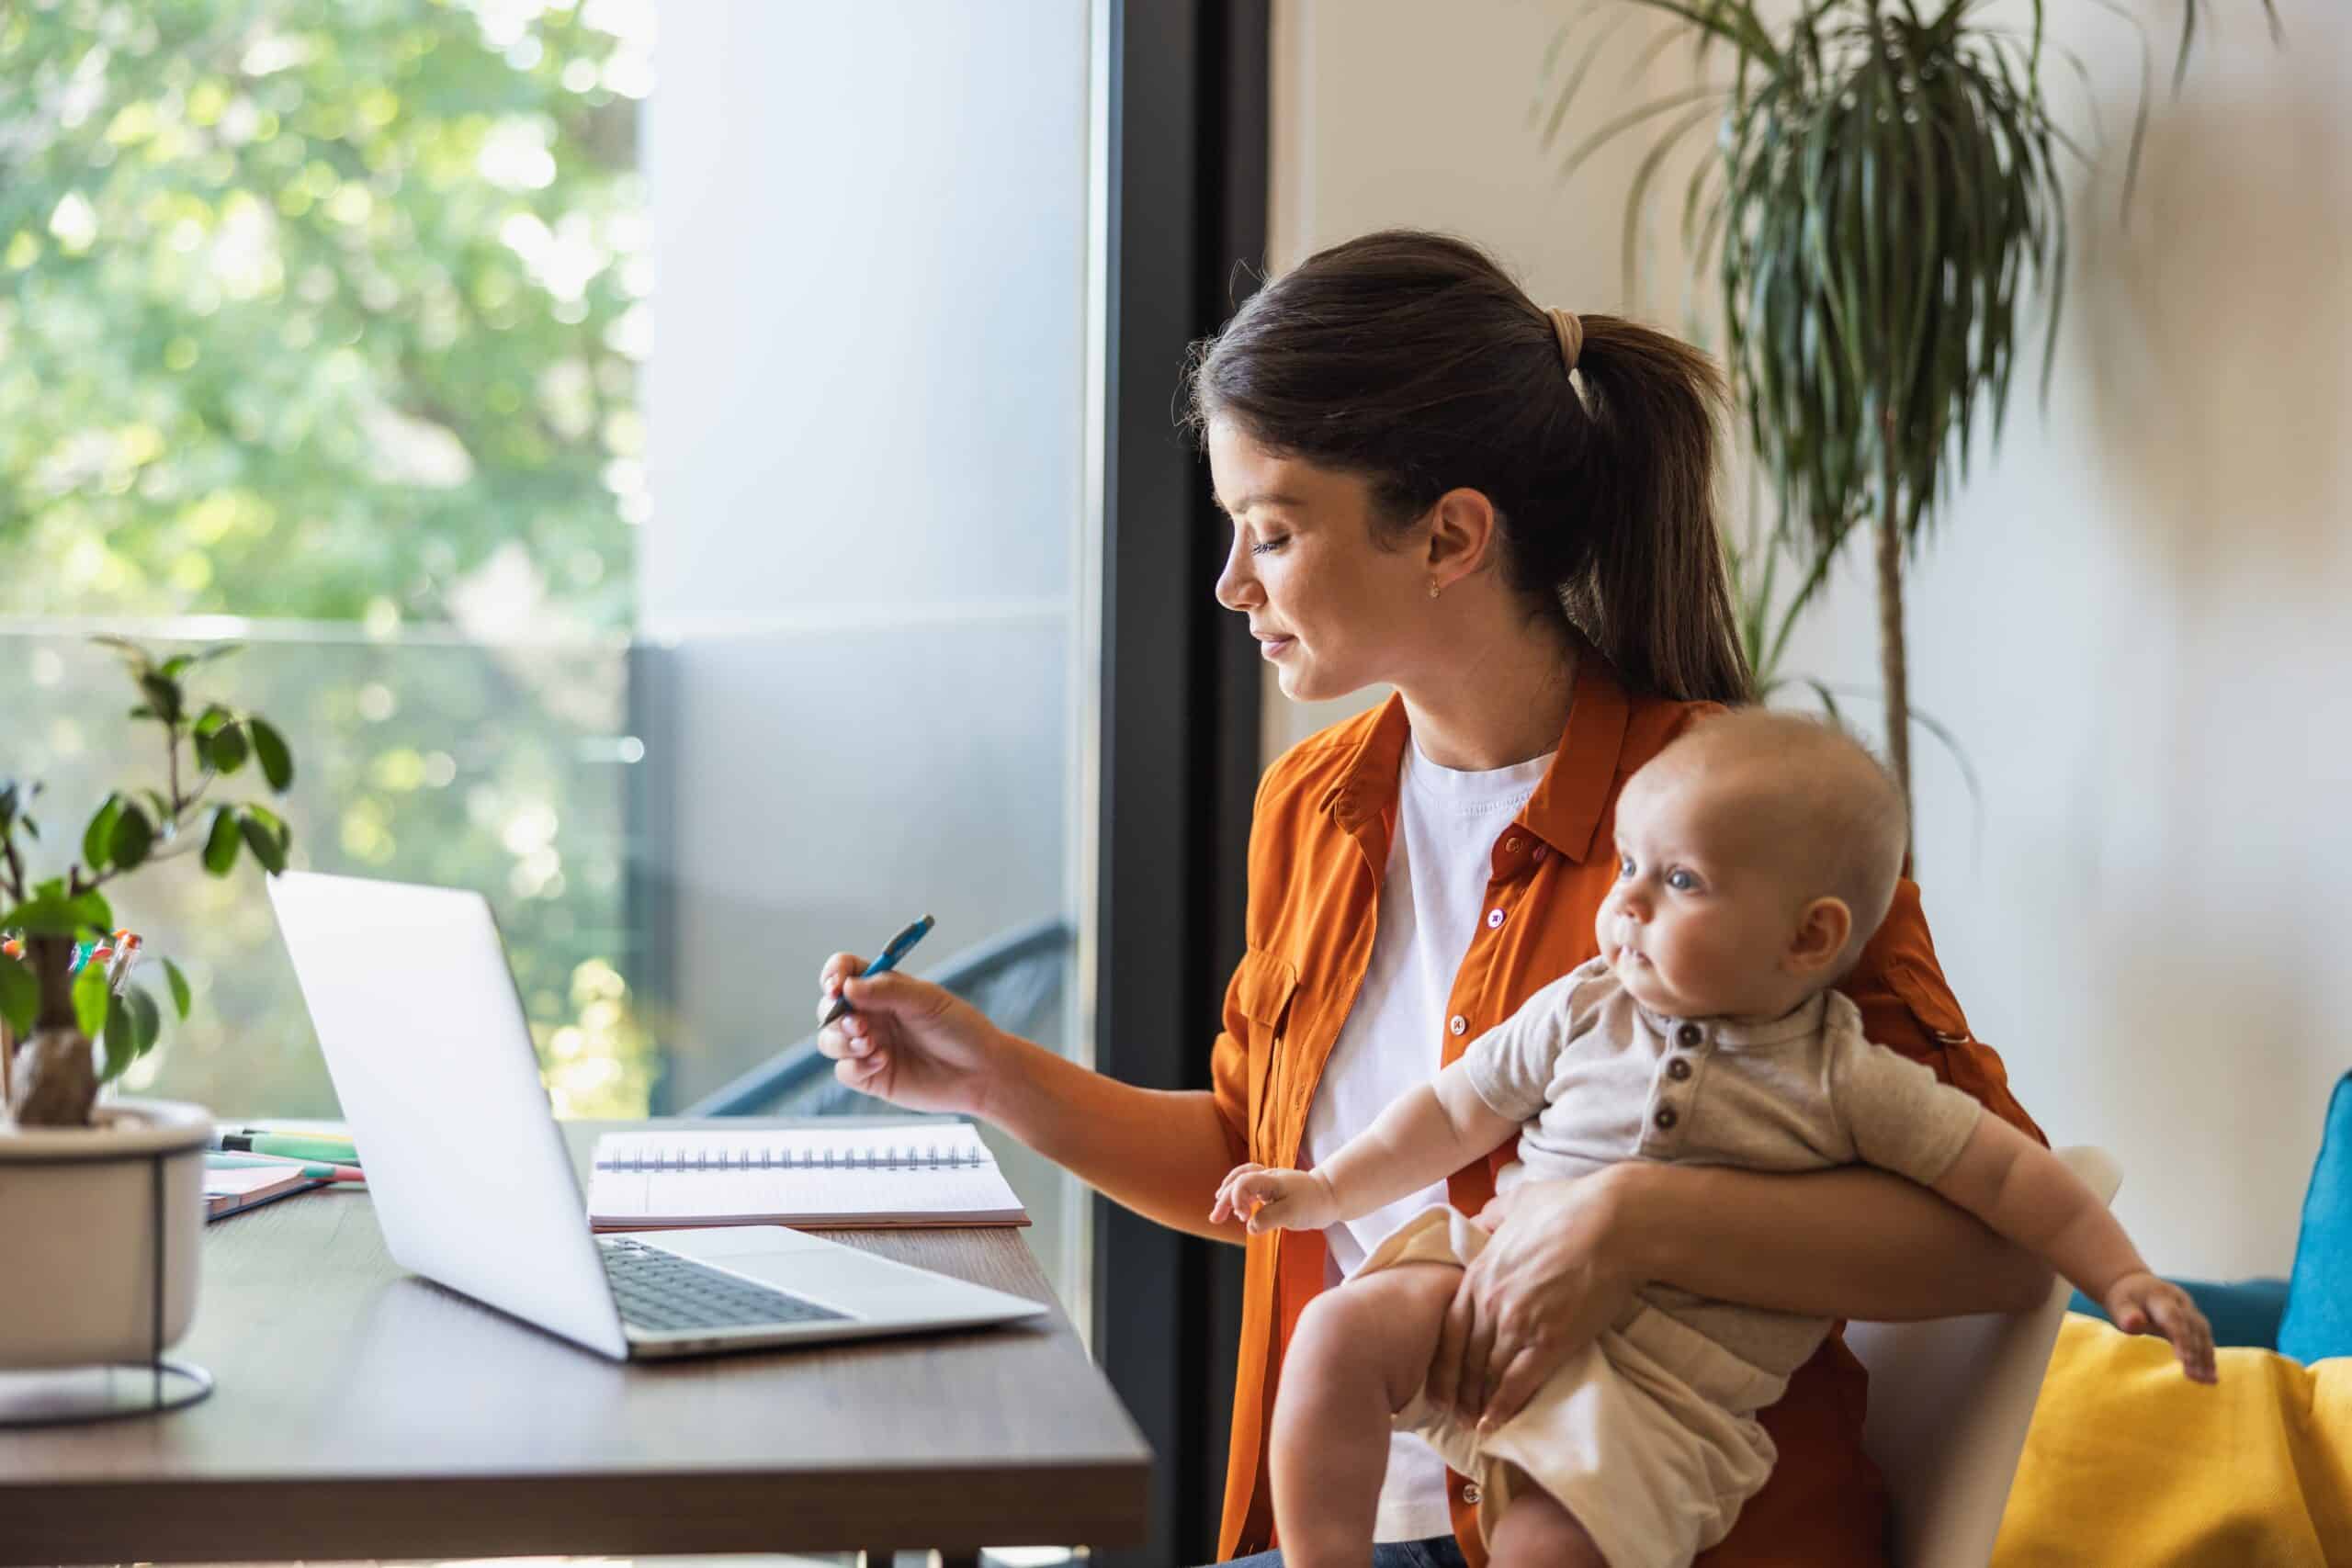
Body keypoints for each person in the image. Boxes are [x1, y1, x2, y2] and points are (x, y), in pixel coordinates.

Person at [817, 229, 2058, 1567]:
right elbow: (1261, 1155)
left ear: (1452, 535)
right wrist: (990, 1074)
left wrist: (1632, 1219)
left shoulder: (1735, 823)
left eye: (1274, 532)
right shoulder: (1317, 803)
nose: (1233, 584)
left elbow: (1999, 1239)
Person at [1213, 710, 2216, 1568]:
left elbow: (2008, 1175)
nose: (1628, 903)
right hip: (1487, 1280)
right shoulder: (1585, 1004)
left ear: (1809, 939)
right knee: (1339, 1333)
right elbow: (1449, 1109)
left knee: (1546, 1549)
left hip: (1657, 1395)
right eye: (1629, 864)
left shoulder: (1843, 1075)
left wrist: (2121, 1275)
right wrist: (1326, 1188)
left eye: (1680, 882)